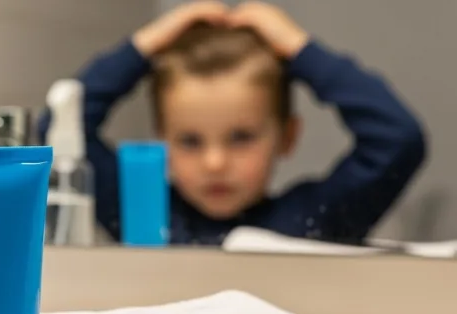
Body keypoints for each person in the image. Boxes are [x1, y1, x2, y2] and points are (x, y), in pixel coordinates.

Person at [37, 1, 427, 246]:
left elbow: (398, 139)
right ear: (163, 140)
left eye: (240, 137)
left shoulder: (317, 219)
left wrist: (298, 48)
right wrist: (146, 45)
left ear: (287, 136)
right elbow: (60, 129)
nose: (215, 163)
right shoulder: (144, 216)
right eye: (190, 140)